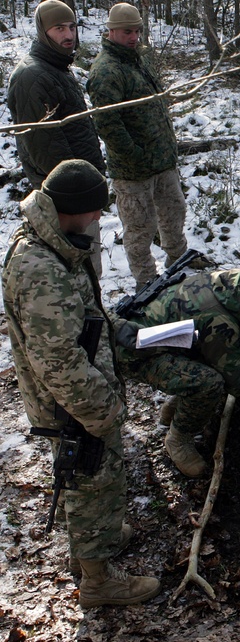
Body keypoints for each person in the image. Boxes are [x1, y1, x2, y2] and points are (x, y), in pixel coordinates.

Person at [2, 160, 160, 607]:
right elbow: (59, 362)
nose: (97, 219)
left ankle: (92, 543)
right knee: (94, 479)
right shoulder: (41, 269)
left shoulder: (51, 244)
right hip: (73, 403)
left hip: (72, 396)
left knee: (85, 478)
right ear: (73, 209)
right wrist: (103, 412)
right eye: (93, 210)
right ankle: (97, 580)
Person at [115, 269, 240, 478]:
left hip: (170, 341)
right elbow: (234, 380)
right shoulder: (221, 321)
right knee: (210, 383)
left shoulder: (236, 288)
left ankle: (175, 409)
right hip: (135, 352)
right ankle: (178, 439)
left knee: (215, 362)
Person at [87, 2, 196, 287]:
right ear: (111, 31)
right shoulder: (105, 71)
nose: (133, 36)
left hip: (162, 161)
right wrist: (136, 156)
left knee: (174, 214)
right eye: (127, 32)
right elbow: (108, 125)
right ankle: (146, 282)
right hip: (133, 171)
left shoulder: (139, 59)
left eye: (137, 30)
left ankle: (178, 264)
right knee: (139, 228)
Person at [7, 0, 107, 274]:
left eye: (72, 27)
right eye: (59, 28)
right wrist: (77, 195)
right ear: (43, 32)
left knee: (88, 272)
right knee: (76, 273)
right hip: (64, 202)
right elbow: (44, 149)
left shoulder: (56, 68)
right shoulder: (33, 75)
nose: (68, 35)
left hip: (78, 193)